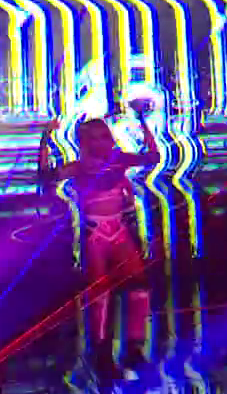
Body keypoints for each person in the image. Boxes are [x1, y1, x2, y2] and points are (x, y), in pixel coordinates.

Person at [38, 103, 160, 345]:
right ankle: (101, 348)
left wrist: (143, 121)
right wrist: (45, 139)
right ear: (85, 142)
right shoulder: (79, 168)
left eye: (104, 136)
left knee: (139, 286)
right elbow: (46, 175)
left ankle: (136, 344)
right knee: (99, 291)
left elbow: (152, 157)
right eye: (95, 138)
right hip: (95, 234)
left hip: (119, 230)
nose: (101, 142)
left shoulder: (119, 160)